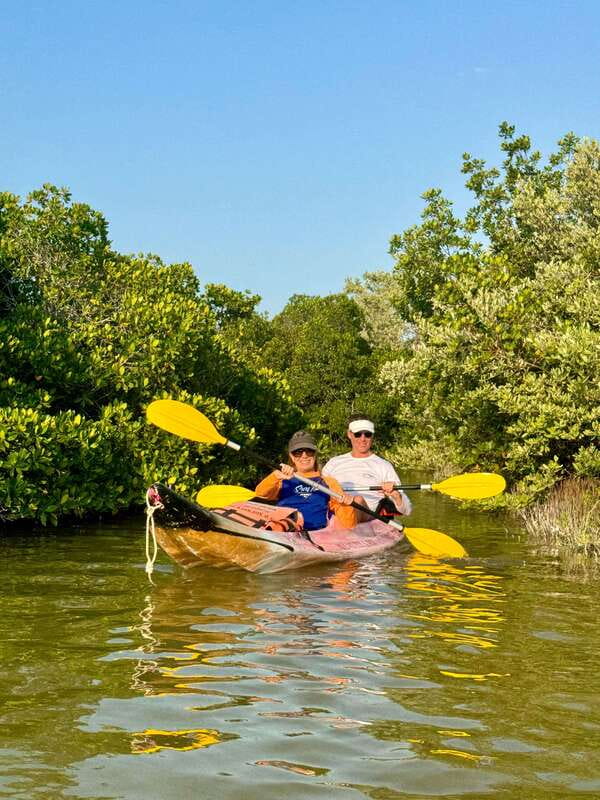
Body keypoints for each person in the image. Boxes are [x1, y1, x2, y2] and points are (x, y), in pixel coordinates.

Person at [254, 431, 359, 531]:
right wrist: (275, 476)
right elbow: (260, 494)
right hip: (284, 530)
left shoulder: (329, 482)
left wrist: (346, 506)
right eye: (298, 452)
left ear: (315, 454)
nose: (304, 455)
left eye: (309, 451)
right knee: (280, 525)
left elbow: (348, 525)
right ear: (292, 456)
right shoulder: (281, 478)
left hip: (315, 534)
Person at [322, 414, 412, 521]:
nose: (363, 439)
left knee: (358, 500)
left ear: (372, 436)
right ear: (349, 434)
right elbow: (316, 488)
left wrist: (396, 496)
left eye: (368, 434)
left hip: (367, 517)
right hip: (335, 511)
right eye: (358, 434)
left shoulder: (383, 465)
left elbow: (406, 510)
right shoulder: (334, 463)